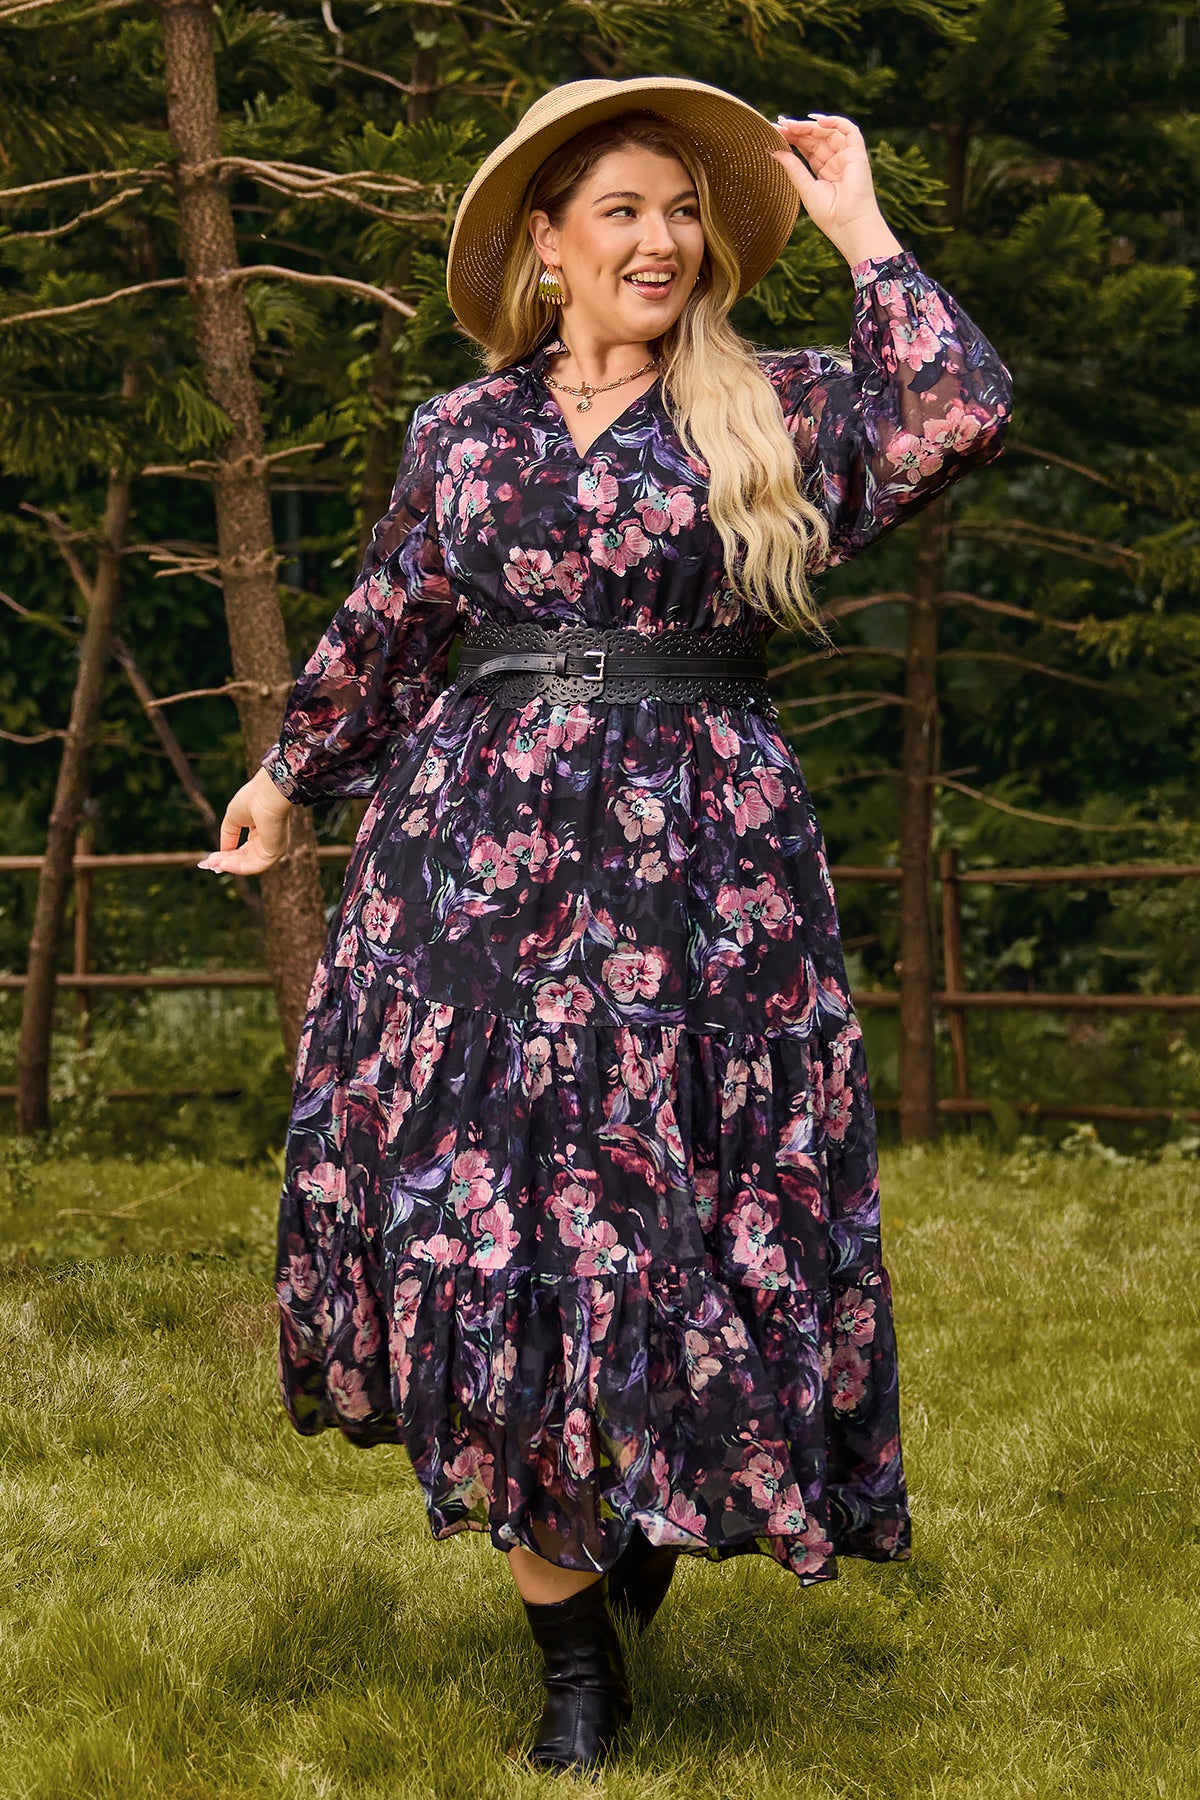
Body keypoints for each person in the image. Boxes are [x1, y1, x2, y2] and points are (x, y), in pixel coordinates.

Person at [200, 76, 1012, 1775]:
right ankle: (574, 1662)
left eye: (684, 211)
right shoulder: (461, 432)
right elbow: (391, 617)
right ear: (547, 246)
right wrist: (286, 774)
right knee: (490, 1219)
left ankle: (632, 1508)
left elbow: (956, 411)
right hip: (472, 867)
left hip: (702, 876)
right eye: (623, 211)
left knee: (673, 1217)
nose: (661, 240)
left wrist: (859, 222)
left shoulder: (771, 408)